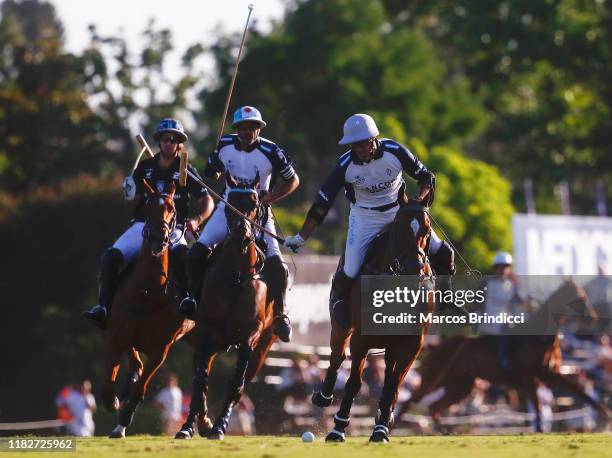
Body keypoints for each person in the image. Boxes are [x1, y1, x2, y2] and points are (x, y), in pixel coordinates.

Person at [283, 113, 455, 328]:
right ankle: (340, 307)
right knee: (350, 270)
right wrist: (301, 237)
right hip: (365, 217)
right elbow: (321, 205)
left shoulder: (395, 151)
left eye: (365, 144)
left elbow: (426, 177)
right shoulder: (344, 165)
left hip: (398, 213)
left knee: (444, 252)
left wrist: (419, 201)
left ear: (374, 139)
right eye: (356, 146)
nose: (362, 150)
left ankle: (446, 300)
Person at [178, 106, 300, 342]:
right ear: (236, 129)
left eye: (252, 127)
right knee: (197, 251)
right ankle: (192, 298)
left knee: (277, 264)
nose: (247, 132)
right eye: (243, 128)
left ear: (259, 129)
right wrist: (213, 166)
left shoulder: (271, 150)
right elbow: (210, 173)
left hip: (259, 211)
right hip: (228, 209)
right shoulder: (224, 145)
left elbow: (293, 180)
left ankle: (280, 315)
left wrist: (271, 197)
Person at [83, 118, 214, 327]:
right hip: (142, 225)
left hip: (173, 226)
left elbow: (207, 200)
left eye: (173, 139)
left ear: (179, 143)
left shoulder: (185, 170)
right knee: (110, 257)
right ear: (159, 142)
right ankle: (103, 306)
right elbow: (133, 201)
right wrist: (128, 193)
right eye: (165, 139)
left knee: (182, 256)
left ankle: (188, 300)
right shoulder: (144, 168)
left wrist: (198, 220)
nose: (169, 143)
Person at [479, 251, 522, 374]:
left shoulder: (512, 285)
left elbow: (520, 303)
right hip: (489, 323)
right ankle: (504, 361)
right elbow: (475, 303)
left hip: (505, 321)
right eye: (500, 267)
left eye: (506, 267)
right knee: (505, 329)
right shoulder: (486, 283)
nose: (503, 270)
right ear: (495, 268)